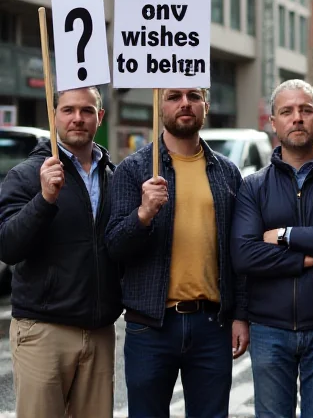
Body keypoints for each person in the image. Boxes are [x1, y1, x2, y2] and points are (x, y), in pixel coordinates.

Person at [105, 87, 249, 418]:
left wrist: (241, 314)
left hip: (212, 324)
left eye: (193, 96)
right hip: (150, 326)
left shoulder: (226, 172)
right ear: (160, 106)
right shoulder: (134, 169)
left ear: (206, 106)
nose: (185, 103)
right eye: (173, 96)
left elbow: (238, 252)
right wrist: (143, 215)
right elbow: (114, 246)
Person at [231, 79, 313, 418]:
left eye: (306, 110)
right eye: (287, 111)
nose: (297, 118)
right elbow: (245, 254)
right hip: (268, 327)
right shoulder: (253, 186)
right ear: (273, 122)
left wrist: (282, 234)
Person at [0, 87, 121, 417]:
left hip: (99, 334)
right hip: (43, 331)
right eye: (68, 110)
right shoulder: (26, 175)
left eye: (86, 110)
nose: (77, 118)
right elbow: (8, 246)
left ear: (101, 116)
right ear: (53, 115)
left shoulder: (112, 177)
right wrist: (44, 200)